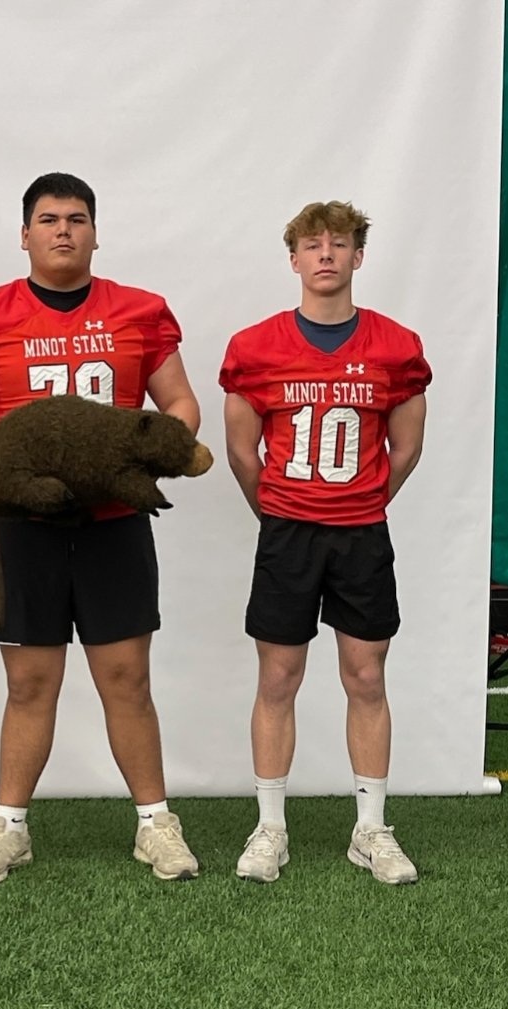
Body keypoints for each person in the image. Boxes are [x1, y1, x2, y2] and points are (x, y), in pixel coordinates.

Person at [0, 172, 200, 884]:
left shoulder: (139, 312)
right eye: (47, 219)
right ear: (24, 234)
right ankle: (9, 826)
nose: (62, 230)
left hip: (112, 522)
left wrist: (146, 458)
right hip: (24, 524)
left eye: (76, 218)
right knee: (29, 682)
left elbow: (179, 405)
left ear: (94, 231)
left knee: (125, 676)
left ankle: (154, 823)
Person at [220, 201, 432, 885]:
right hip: (288, 533)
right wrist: (281, 510)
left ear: (357, 257)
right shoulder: (255, 346)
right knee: (277, 676)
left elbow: (405, 448)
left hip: (360, 534)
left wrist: (360, 500)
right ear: (293, 260)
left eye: (338, 243)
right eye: (311, 245)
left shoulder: (395, 346)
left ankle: (370, 827)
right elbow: (239, 450)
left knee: (365, 676)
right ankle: (269, 827)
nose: (325, 255)